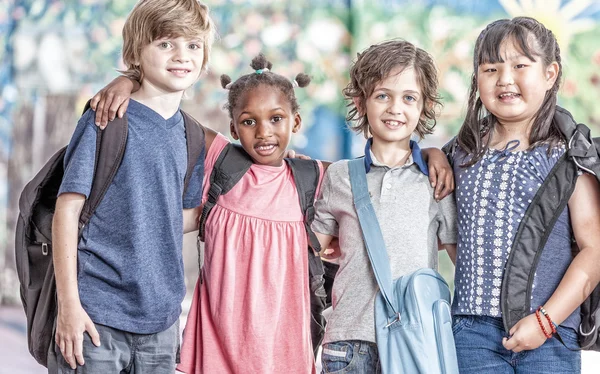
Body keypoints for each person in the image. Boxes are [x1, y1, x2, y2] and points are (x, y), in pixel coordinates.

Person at [51, 0, 216, 372]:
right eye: (165, 43)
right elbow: (67, 211)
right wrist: (69, 306)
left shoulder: (191, 135)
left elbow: (180, 217)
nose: (181, 55)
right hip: (95, 315)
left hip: (161, 321)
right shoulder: (106, 119)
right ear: (136, 53)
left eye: (193, 45)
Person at [449, 16, 600, 373]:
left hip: (551, 333)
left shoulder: (569, 155)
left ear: (550, 74)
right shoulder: (459, 154)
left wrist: (546, 320)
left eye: (520, 65)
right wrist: (430, 156)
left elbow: (594, 249)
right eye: (490, 69)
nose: (505, 79)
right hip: (471, 332)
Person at [311, 39, 458, 373]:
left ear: (425, 106)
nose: (395, 108)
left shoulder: (437, 180)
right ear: (361, 103)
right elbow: (309, 248)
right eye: (383, 95)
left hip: (416, 339)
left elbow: (459, 258)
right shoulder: (339, 177)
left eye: (409, 97)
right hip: (349, 342)